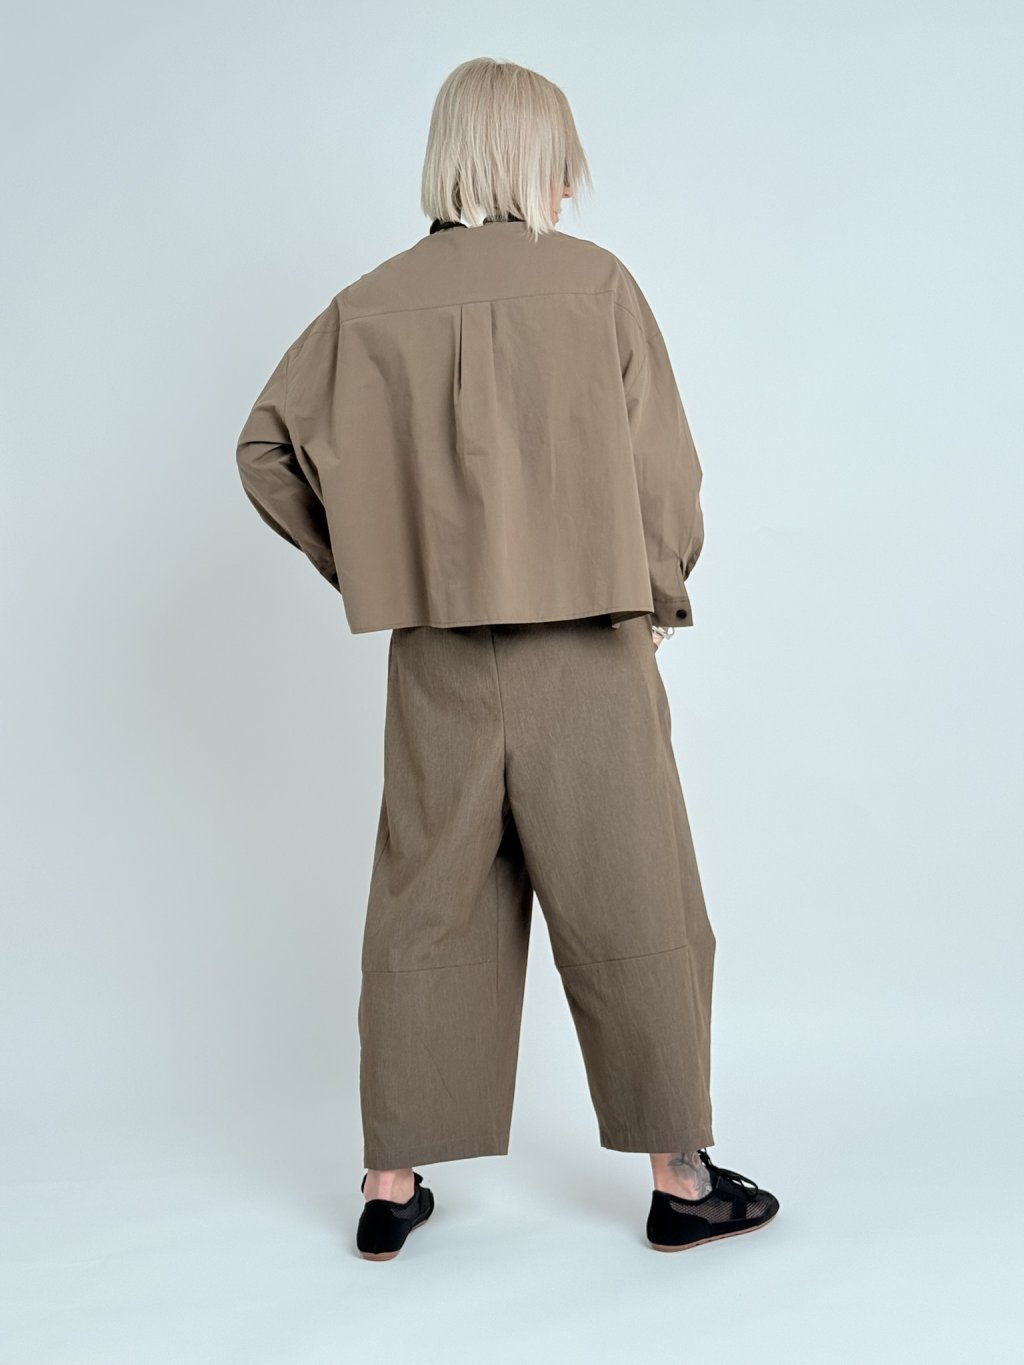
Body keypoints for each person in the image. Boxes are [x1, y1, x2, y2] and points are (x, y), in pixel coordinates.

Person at [235, 56, 780, 1262]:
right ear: (531, 160)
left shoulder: (368, 305)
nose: (570, 187)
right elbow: (662, 475)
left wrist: (378, 567)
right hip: (588, 651)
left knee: (424, 902)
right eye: (561, 163)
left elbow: (265, 449)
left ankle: (388, 1185)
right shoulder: (595, 286)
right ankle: (679, 1181)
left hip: (437, 657)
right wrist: (656, 593)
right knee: (634, 900)